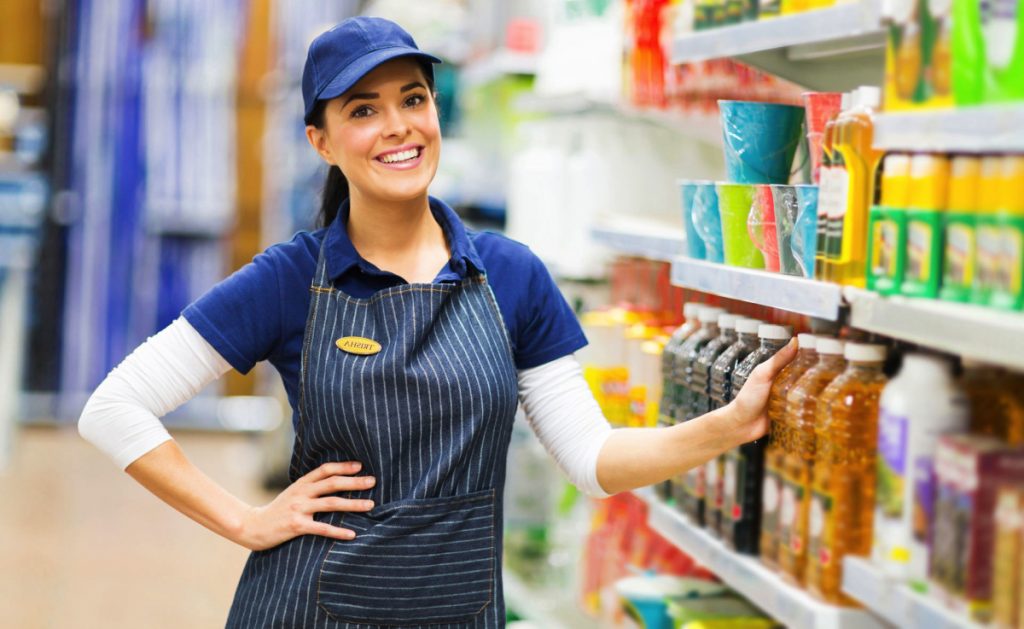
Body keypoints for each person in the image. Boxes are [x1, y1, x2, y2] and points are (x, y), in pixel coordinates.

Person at [78, 16, 797, 628]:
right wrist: (243, 520)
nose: (397, 127)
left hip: (460, 606)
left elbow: (591, 459)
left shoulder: (511, 276)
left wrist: (726, 426)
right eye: (362, 109)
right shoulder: (293, 277)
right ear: (321, 141)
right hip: (311, 605)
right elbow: (115, 407)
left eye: (412, 98)